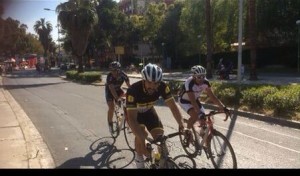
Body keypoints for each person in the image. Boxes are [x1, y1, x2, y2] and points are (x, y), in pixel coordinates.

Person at [126, 63, 188, 169]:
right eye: (149, 82)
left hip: (149, 112)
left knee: (161, 140)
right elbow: (132, 118)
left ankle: (163, 162)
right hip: (135, 115)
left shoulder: (162, 87)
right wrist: (141, 139)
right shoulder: (133, 91)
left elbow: (173, 106)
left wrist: (183, 125)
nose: (152, 86)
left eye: (156, 83)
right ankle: (139, 161)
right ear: (143, 79)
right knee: (140, 140)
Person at [178, 65, 229, 131]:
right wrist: (199, 114)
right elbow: (192, 101)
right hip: (184, 101)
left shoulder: (206, 82)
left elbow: (212, 97)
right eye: (199, 77)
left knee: (204, 120)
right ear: (193, 76)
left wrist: (223, 108)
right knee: (195, 116)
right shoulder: (189, 83)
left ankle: (204, 136)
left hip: (195, 100)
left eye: (203, 76)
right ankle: (187, 133)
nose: (201, 79)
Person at [105, 61, 131, 133]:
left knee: (126, 101)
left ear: (119, 70)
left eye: (115, 70)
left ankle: (121, 116)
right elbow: (112, 89)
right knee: (111, 108)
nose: (113, 72)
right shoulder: (109, 76)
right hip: (110, 91)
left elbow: (129, 86)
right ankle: (110, 124)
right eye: (111, 70)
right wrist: (117, 98)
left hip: (118, 90)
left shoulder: (123, 75)